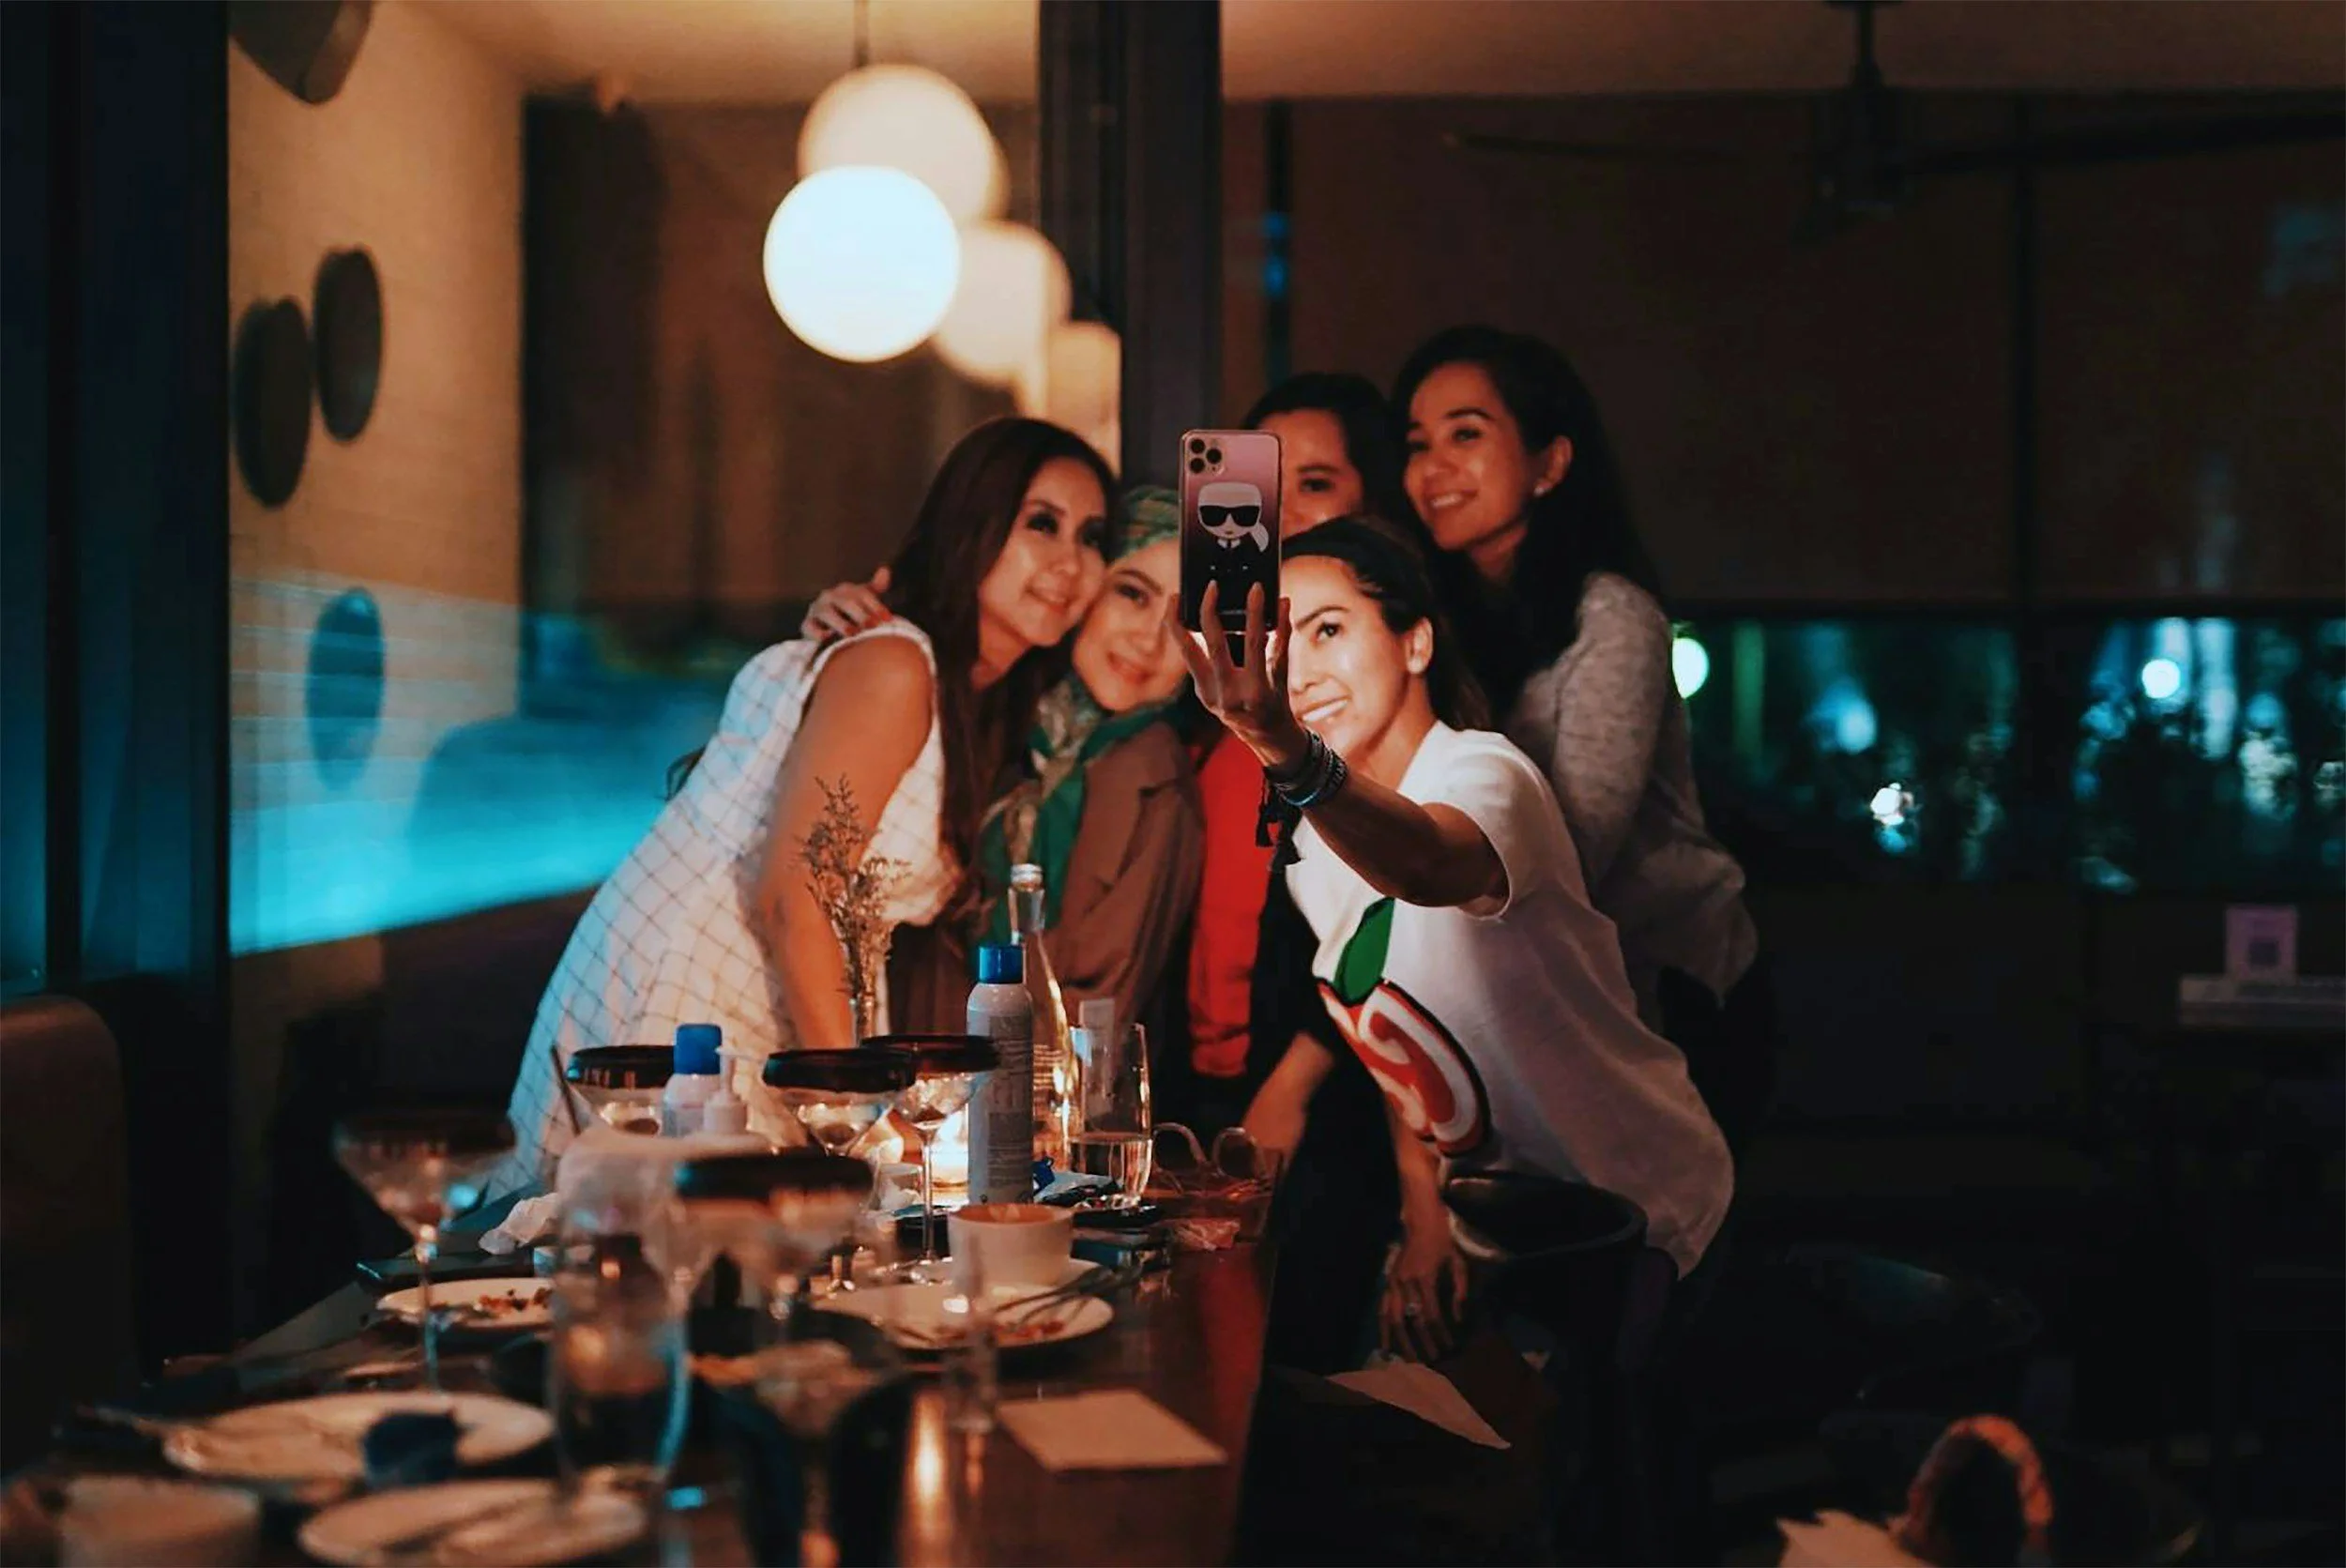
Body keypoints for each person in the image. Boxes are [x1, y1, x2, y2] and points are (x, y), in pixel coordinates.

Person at [491, 418, 1117, 1196]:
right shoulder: (894, 662)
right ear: (971, 524)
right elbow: (792, 894)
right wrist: (866, 1114)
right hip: (689, 1012)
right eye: (1041, 524)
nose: (1071, 563)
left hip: (768, 1015)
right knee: (633, 1275)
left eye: (1092, 537)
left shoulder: (965, 697)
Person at [1183, 519, 1732, 1361]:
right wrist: (1425, 1217)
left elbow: (1432, 863)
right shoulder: (1313, 856)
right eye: (1281, 644)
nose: (1301, 669)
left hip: (1643, 1218)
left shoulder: (1486, 773)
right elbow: (1400, 1040)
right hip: (1506, 1238)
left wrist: (1289, 755)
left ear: (1415, 642)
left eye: (1330, 628)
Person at [1393, 325, 1775, 1156]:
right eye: (1417, 442)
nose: (1433, 467)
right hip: (1547, 1001)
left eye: (1467, 433)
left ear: (1551, 462)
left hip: (1669, 986)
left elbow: (1575, 849)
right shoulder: (1443, 623)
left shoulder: (1613, 617)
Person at [801, 489, 1204, 1033]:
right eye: (1132, 595)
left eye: (1186, 625)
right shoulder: (994, 706)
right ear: (1084, 594)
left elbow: (1095, 1015)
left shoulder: (1152, 774)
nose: (1150, 638)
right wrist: (841, 631)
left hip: (1009, 1094)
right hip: (891, 1052)